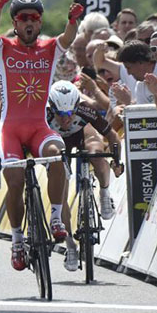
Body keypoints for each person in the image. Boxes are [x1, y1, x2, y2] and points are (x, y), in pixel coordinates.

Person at [0, 0, 83, 271]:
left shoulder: (50, 48)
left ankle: (55, 217)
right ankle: (16, 240)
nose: (29, 22)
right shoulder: (4, 47)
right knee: (14, 182)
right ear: (15, 23)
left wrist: (72, 20)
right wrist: (0, 2)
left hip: (39, 126)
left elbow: (68, 37)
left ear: (39, 23)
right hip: (11, 128)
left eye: (34, 18)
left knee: (57, 152)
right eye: (23, 18)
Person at [47, 80, 123, 271]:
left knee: (96, 152)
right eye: (60, 114)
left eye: (70, 114)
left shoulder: (84, 109)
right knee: (60, 193)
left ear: (76, 107)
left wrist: (116, 161)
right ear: (51, 108)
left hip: (83, 136)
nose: (65, 119)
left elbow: (112, 136)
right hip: (56, 143)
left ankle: (105, 194)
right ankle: (70, 246)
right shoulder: (43, 113)